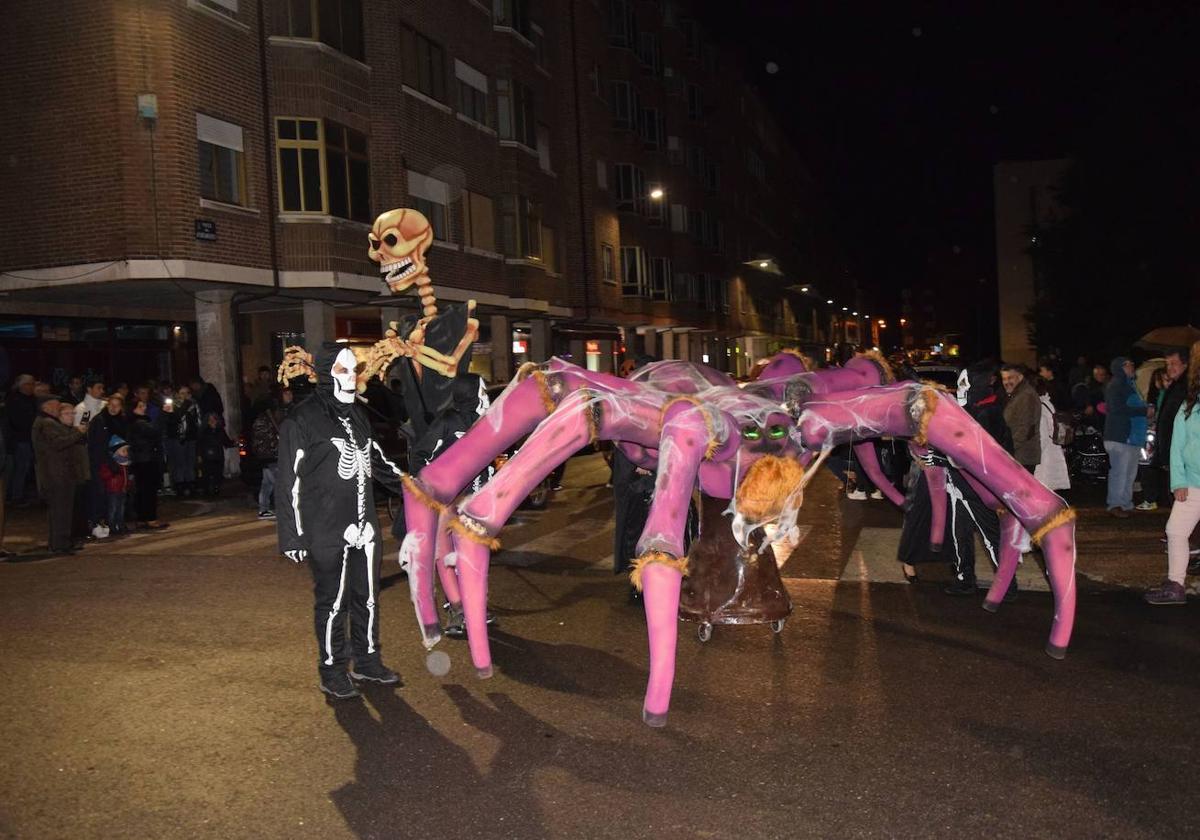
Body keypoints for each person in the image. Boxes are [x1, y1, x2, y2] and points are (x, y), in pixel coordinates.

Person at [276, 343, 407, 700]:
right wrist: (291, 535)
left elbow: (378, 463)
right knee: (333, 602)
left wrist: (416, 486)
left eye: (354, 370)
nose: (351, 377)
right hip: (325, 528)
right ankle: (332, 669)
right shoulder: (301, 420)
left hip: (364, 527)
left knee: (366, 598)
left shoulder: (358, 416)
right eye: (342, 370)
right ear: (323, 374)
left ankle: (366, 661)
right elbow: (288, 480)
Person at [1145, 341, 1200, 605]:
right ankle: (1176, 585)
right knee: (1176, 530)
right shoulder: (1189, 400)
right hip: (1192, 481)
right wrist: (1178, 480)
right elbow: (1178, 441)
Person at [31, 395, 84, 555]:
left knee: (64, 510)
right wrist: (77, 433)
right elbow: (59, 443)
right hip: (56, 475)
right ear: (46, 407)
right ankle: (59, 544)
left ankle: (62, 542)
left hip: (61, 474)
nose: (58, 407)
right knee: (60, 511)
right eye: (56, 405)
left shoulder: (48, 423)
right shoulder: (46, 423)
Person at [1139, 348, 1189, 511]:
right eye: (1167, 364)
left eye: (1174, 363)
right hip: (1171, 449)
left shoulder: (1186, 388)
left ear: (1185, 364)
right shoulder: (1175, 386)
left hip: (1181, 451)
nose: (1170, 368)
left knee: (1181, 494)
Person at [1103, 357, 1148, 517]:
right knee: (1120, 472)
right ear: (1121, 367)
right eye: (1129, 364)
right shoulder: (1117, 385)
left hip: (1130, 436)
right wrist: (1143, 411)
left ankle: (1125, 503)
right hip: (1121, 435)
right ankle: (1116, 504)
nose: (1132, 367)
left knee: (1128, 473)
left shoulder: (1128, 385)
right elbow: (1117, 408)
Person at [85, 394, 127, 537]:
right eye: (111, 405)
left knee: (118, 494)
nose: (114, 408)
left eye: (117, 405)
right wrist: (108, 462)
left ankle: (116, 521)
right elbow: (97, 445)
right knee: (103, 494)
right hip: (102, 463)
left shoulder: (121, 420)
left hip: (119, 461)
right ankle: (101, 523)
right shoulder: (99, 421)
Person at [128, 399, 168, 529]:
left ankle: (142, 518)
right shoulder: (139, 423)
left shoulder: (137, 422)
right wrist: (163, 414)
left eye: (144, 406)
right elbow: (155, 432)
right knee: (148, 490)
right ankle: (150, 518)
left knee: (142, 490)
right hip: (146, 459)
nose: (143, 408)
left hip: (142, 459)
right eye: (140, 406)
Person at [59, 402, 92, 543]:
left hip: (80, 473)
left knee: (81, 503)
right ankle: (72, 535)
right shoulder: (63, 431)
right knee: (71, 506)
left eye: (73, 413)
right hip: (67, 474)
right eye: (67, 414)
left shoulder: (74, 431)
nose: (71, 416)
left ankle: (81, 532)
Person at [1000, 364, 1041, 473]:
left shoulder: (1026, 396)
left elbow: (1025, 428)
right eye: (1004, 379)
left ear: (1020, 377)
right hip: (1019, 455)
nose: (1006, 382)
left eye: (1010, 378)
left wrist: (1007, 451)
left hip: (1022, 456)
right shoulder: (1017, 395)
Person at [5, 374, 37, 504]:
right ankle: (16, 496)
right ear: (23, 386)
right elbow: (17, 421)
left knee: (24, 468)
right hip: (20, 439)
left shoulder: (29, 399)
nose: (32, 387)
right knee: (20, 468)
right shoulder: (16, 400)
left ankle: (18, 494)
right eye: (30, 384)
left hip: (26, 438)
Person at [1034, 379, 1071, 493]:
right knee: (1050, 488)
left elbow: (1043, 436)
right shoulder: (1047, 403)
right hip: (1054, 448)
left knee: (1042, 486)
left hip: (1045, 454)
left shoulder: (1039, 407)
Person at [164, 385, 200, 497]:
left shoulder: (194, 405)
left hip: (191, 437)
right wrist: (185, 405)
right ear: (178, 394)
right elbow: (174, 419)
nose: (184, 395)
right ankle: (180, 487)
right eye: (182, 393)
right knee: (179, 463)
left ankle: (191, 486)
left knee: (190, 462)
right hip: (177, 438)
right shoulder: (173, 406)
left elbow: (197, 421)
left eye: (187, 392)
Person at [252, 403, 282, 519]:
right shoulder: (266, 422)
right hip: (270, 457)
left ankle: (263, 509)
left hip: (266, 457)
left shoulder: (265, 421)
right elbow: (269, 440)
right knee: (278, 484)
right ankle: (282, 509)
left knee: (267, 484)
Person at [99, 436, 132, 536]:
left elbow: (126, 476)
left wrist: (128, 483)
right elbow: (103, 475)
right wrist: (112, 472)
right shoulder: (111, 463)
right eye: (123, 450)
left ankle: (120, 525)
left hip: (122, 489)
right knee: (112, 509)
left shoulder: (124, 463)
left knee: (121, 509)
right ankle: (112, 526)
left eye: (126, 450)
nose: (126, 453)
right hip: (113, 490)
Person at [197, 411, 232, 497]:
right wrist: (199, 455)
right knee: (207, 473)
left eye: (214, 419)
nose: (212, 421)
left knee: (218, 472)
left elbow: (226, 441)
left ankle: (216, 487)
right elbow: (199, 443)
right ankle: (207, 489)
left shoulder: (220, 430)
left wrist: (234, 443)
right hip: (207, 455)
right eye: (210, 420)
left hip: (218, 455)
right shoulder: (204, 431)